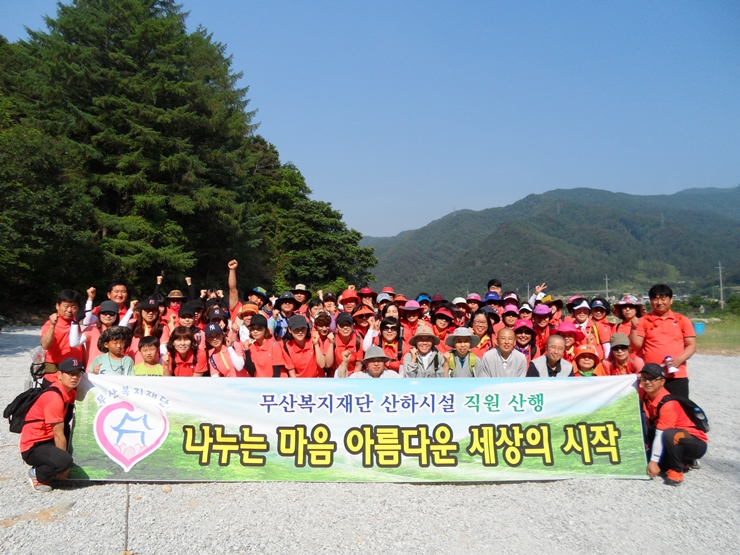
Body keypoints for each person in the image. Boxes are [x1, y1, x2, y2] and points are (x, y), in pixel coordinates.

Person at [20, 357, 82, 492]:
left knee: (73, 450)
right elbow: (58, 434)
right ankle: (37, 474)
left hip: (47, 440)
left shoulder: (68, 391)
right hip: (33, 446)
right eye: (70, 373)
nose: (74, 377)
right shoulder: (54, 397)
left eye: (78, 374)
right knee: (64, 461)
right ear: (59, 375)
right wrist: (64, 465)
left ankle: (54, 466)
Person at [641, 363, 707, 486]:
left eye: (652, 379)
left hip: (694, 442)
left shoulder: (668, 403)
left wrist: (654, 462)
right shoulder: (646, 395)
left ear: (662, 381)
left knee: (669, 434)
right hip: (672, 440)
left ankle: (677, 470)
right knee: (659, 463)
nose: (647, 382)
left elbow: (661, 434)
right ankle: (685, 461)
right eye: (644, 378)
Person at [630, 284, 696, 397]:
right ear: (650, 301)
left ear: (671, 300)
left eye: (663, 298)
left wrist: (680, 359)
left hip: (677, 375)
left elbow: (691, 346)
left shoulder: (682, 320)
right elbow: (636, 346)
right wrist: (633, 328)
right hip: (652, 375)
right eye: (655, 299)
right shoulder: (644, 321)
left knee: (679, 405)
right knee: (653, 406)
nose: (659, 302)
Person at [40, 290, 85, 384]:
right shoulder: (50, 324)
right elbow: (45, 345)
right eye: (66, 306)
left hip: (75, 375)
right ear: (57, 306)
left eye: (74, 307)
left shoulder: (75, 324)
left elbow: (81, 348)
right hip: (56, 376)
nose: (69, 310)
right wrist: (52, 325)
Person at [335, 346, 400, 378]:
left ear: (384, 362)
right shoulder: (359, 377)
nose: (376, 364)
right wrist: (344, 363)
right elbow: (343, 386)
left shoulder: (393, 376)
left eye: (379, 360)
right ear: (366, 363)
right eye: (372, 361)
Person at [311, 311, 335, 376]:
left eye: (327, 325)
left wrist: (331, 343)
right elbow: (322, 364)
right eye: (321, 326)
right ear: (315, 326)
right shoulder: (311, 337)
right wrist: (316, 343)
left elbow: (328, 364)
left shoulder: (333, 335)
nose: (324, 329)